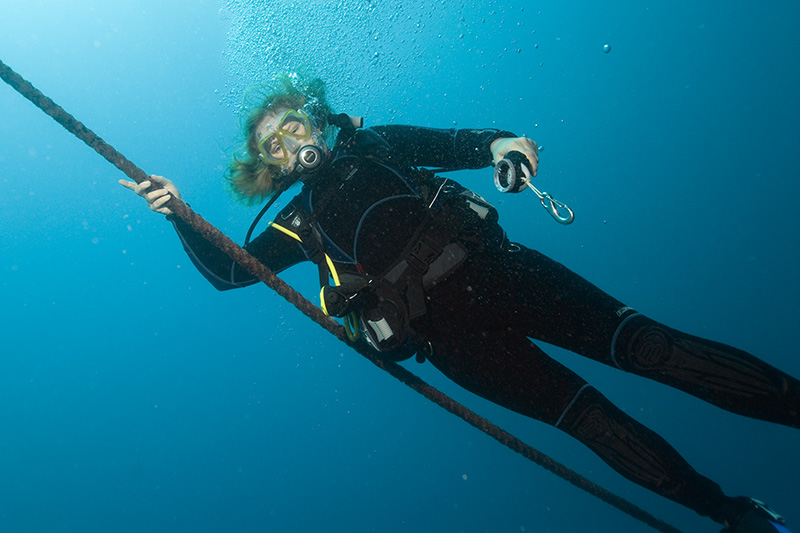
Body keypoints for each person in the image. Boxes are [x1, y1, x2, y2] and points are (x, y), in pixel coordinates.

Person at [120, 74, 798, 532]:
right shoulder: (296, 223)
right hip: (454, 341)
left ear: (315, 120)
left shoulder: (377, 143)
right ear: (266, 166)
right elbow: (230, 273)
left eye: (294, 125)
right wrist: (178, 213)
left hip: (506, 272)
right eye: (274, 145)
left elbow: (480, 142)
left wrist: (514, 155)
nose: (292, 145)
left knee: (652, 347)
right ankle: (733, 514)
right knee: (593, 424)